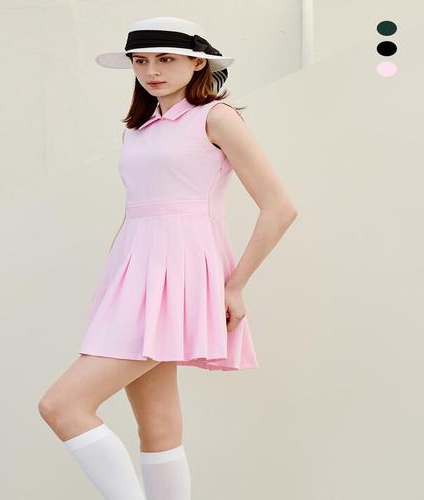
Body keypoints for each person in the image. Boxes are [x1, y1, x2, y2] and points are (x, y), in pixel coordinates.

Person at [38, 16, 298, 500]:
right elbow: (138, 210)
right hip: (133, 273)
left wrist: (235, 285)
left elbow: (280, 208)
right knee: (156, 424)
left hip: (181, 274)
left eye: (165, 59)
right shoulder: (138, 130)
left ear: (197, 63)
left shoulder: (216, 117)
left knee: (62, 405)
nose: (151, 71)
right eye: (140, 61)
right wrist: (116, 281)